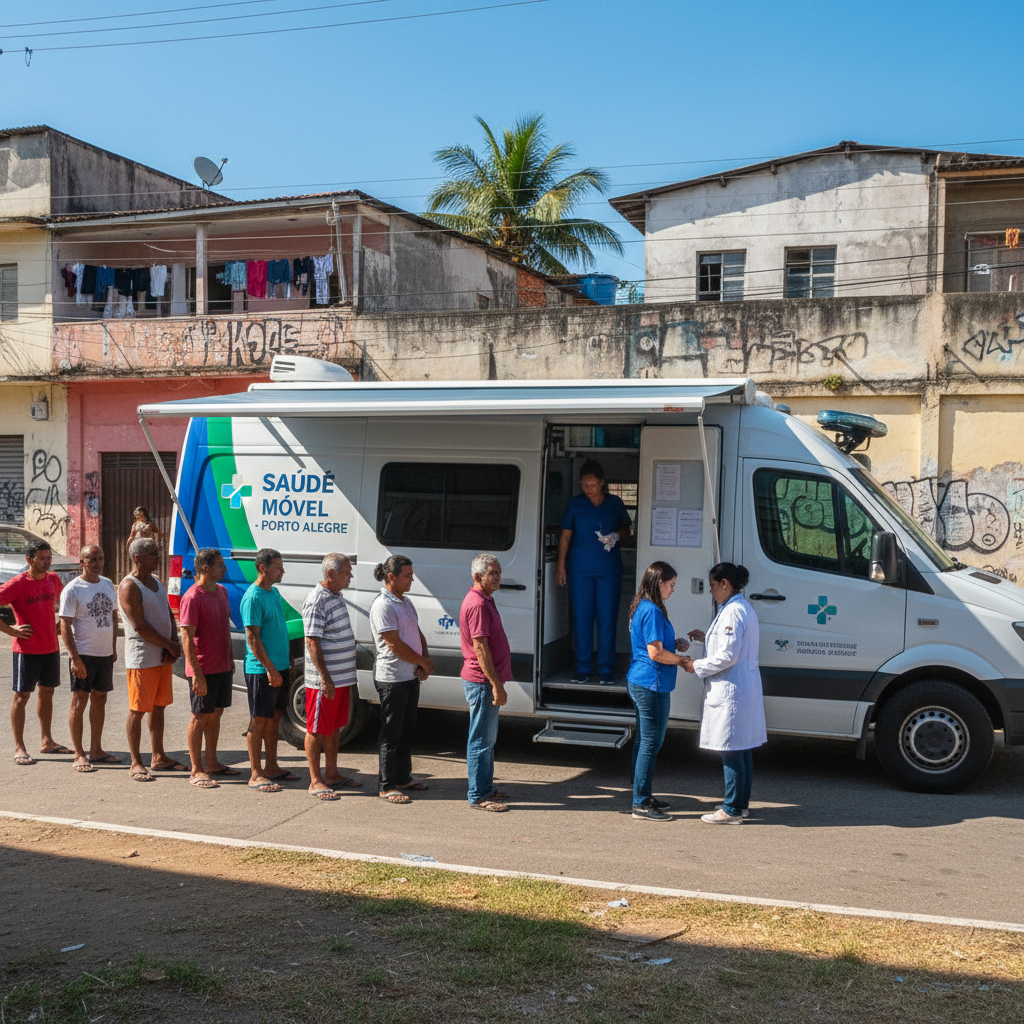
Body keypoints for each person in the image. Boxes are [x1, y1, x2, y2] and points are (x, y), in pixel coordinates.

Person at [681, 562, 766, 825]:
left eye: (712, 586)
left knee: (731, 749)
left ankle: (730, 810)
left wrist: (696, 665)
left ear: (725, 584)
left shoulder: (732, 612)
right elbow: (728, 644)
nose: (711, 592)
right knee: (742, 749)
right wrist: (706, 638)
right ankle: (740, 805)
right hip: (741, 687)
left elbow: (728, 655)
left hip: (732, 690)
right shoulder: (738, 608)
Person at [556, 460, 632, 684]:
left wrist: (616, 536)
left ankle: (606, 669)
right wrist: (561, 566)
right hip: (580, 570)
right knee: (582, 619)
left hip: (609, 571)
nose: (588, 489)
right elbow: (566, 536)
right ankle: (583, 668)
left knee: (607, 619)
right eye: (584, 485)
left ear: (602, 483)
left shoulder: (615, 503)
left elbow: (628, 530)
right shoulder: (576, 505)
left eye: (592, 484)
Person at [626, 561, 691, 821]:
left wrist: (673, 644)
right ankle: (640, 802)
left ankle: (641, 795)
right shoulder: (651, 610)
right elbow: (654, 653)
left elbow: (650, 644)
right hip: (650, 684)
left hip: (643, 681)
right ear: (659, 583)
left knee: (645, 742)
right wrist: (682, 661)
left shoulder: (643, 605)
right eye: (671, 585)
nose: (673, 590)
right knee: (651, 743)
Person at [369, 555, 433, 805]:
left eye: (411, 574)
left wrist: (423, 660)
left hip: (409, 676)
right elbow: (393, 644)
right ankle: (386, 785)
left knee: (407, 729)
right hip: (392, 678)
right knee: (391, 732)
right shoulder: (383, 605)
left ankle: (403, 776)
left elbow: (417, 633)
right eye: (407, 575)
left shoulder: (405, 602)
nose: (412, 579)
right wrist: (422, 661)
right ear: (391, 577)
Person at [0, 538, 70, 764]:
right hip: (26, 650)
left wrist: (61, 624)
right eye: (42, 558)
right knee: (21, 696)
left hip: (50, 648)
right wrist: (10, 630)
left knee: (47, 693)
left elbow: (66, 603)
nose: (47, 562)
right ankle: (19, 747)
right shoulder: (18, 583)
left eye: (49, 558)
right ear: (29, 559)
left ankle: (46, 740)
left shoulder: (53, 579)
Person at [118, 537, 183, 781]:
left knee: (159, 706)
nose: (158, 557)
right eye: (153, 554)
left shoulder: (155, 581)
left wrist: (173, 641)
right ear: (138, 558)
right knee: (138, 709)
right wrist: (168, 644)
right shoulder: (129, 586)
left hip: (162, 655)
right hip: (142, 658)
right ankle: (136, 761)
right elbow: (139, 625)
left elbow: (167, 612)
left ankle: (159, 756)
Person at [301, 553, 360, 802]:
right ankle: (315, 780)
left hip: (342, 677)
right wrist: (325, 678)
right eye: (346, 573)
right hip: (324, 680)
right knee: (316, 729)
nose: (351, 576)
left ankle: (332, 773)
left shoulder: (336, 595)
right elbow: (312, 641)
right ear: (330, 574)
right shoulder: (317, 600)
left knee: (335, 727)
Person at [179, 548, 237, 789]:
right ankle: (196, 769)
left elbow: (224, 628)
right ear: (205, 568)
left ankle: (212, 762)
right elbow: (186, 637)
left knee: (216, 713)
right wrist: (196, 674)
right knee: (200, 716)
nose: (224, 568)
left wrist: (231, 661)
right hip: (204, 668)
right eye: (219, 564)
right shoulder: (193, 597)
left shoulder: (222, 591)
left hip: (223, 666)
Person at [241, 547, 298, 793]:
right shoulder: (252, 597)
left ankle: (272, 767)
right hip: (261, 670)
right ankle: (255, 773)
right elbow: (253, 638)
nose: (282, 570)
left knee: (274, 718)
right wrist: (270, 668)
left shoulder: (273, 593)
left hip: (280, 667)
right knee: (259, 720)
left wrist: (288, 659)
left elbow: (279, 629)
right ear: (262, 568)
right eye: (278, 566)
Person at [58, 544, 119, 772]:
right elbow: (65, 624)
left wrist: (112, 648)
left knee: (100, 699)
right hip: (83, 654)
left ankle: (96, 750)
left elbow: (113, 617)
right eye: (91, 559)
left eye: (100, 558)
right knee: (79, 702)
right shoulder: (73, 589)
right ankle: (79, 754)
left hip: (104, 655)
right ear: (82, 563)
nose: (97, 563)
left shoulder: (107, 584)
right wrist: (75, 659)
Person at [459, 554, 512, 812]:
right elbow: (480, 648)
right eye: (492, 573)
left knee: (487, 739)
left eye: (498, 572)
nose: (498, 577)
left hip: (485, 681)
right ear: (478, 577)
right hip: (481, 682)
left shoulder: (484, 600)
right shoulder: (478, 604)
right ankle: (478, 795)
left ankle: (485, 788)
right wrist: (495, 684)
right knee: (481, 739)